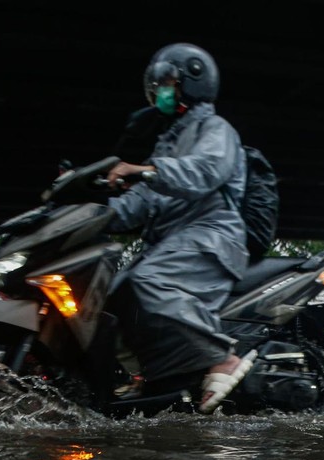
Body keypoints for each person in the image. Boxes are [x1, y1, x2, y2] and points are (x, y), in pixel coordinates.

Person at [104, 42, 256, 414]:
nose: (161, 91)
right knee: (115, 290)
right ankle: (153, 374)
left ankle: (222, 358)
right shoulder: (168, 142)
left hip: (211, 234)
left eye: (168, 83)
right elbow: (143, 201)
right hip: (174, 242)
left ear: (192, 81)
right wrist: (95, 213)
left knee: (148, 281)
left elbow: (205, 170)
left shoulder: (214, 128)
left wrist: (146, 171)